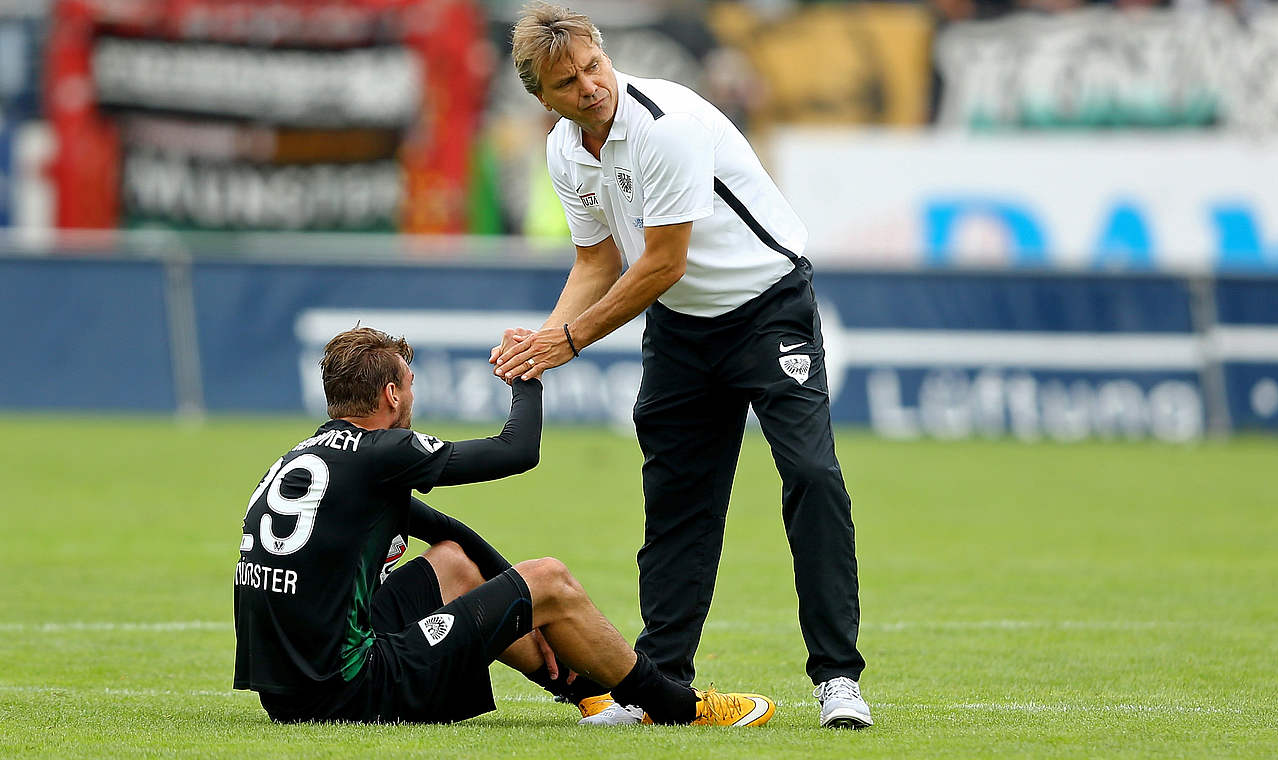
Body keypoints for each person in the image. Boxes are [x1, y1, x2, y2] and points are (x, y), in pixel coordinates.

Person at [491, 2, 871, 729]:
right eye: (568, 83)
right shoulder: (565, 150)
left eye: (593, 66)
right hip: (683, 329)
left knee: (813, 476)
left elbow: (661, 264)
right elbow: (597, 262)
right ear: (542, 99)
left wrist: (566, 344)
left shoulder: (666, 125)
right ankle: (657, 688)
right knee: (676, 506)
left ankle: (838, 680)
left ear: (605, 54)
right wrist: (541, 340)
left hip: (767, 306)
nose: (590, 87)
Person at [232, 326, 774, 727]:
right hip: (348, 690)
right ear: (391, 395)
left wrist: (524, 616)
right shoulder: (380, 454)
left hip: (287, 692)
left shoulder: (303, 459)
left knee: (453, 561)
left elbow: (451, 533)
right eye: (410, 385)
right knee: (550, 579)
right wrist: (526, 378)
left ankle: (590, 696)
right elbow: (518, 450)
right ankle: (678, 706)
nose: (412, 396)